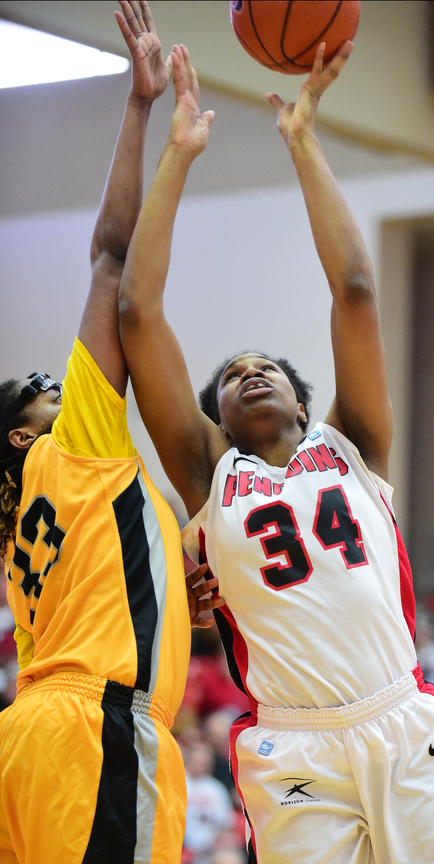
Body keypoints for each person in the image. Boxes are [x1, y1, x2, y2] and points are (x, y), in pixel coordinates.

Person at [118, 40, 434, 864]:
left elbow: (355, 289)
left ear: (302, 401)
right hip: (292, 747)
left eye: (268, 370)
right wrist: (178, 153)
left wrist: (302, 141)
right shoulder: (208, 475)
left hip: (398, 714)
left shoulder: (352, 445)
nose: (251, 373)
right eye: (232, 377)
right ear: (215, 416)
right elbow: (138, 312)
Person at [0, 4, 222, 863]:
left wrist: (173, 593)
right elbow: (112, 257)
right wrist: (142, 113)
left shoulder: (25, 521)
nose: (56, 385)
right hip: (94, 733)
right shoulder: (77, 447)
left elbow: (107, 586)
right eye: (35, 393)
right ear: (21, 439)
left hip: (30, 738)